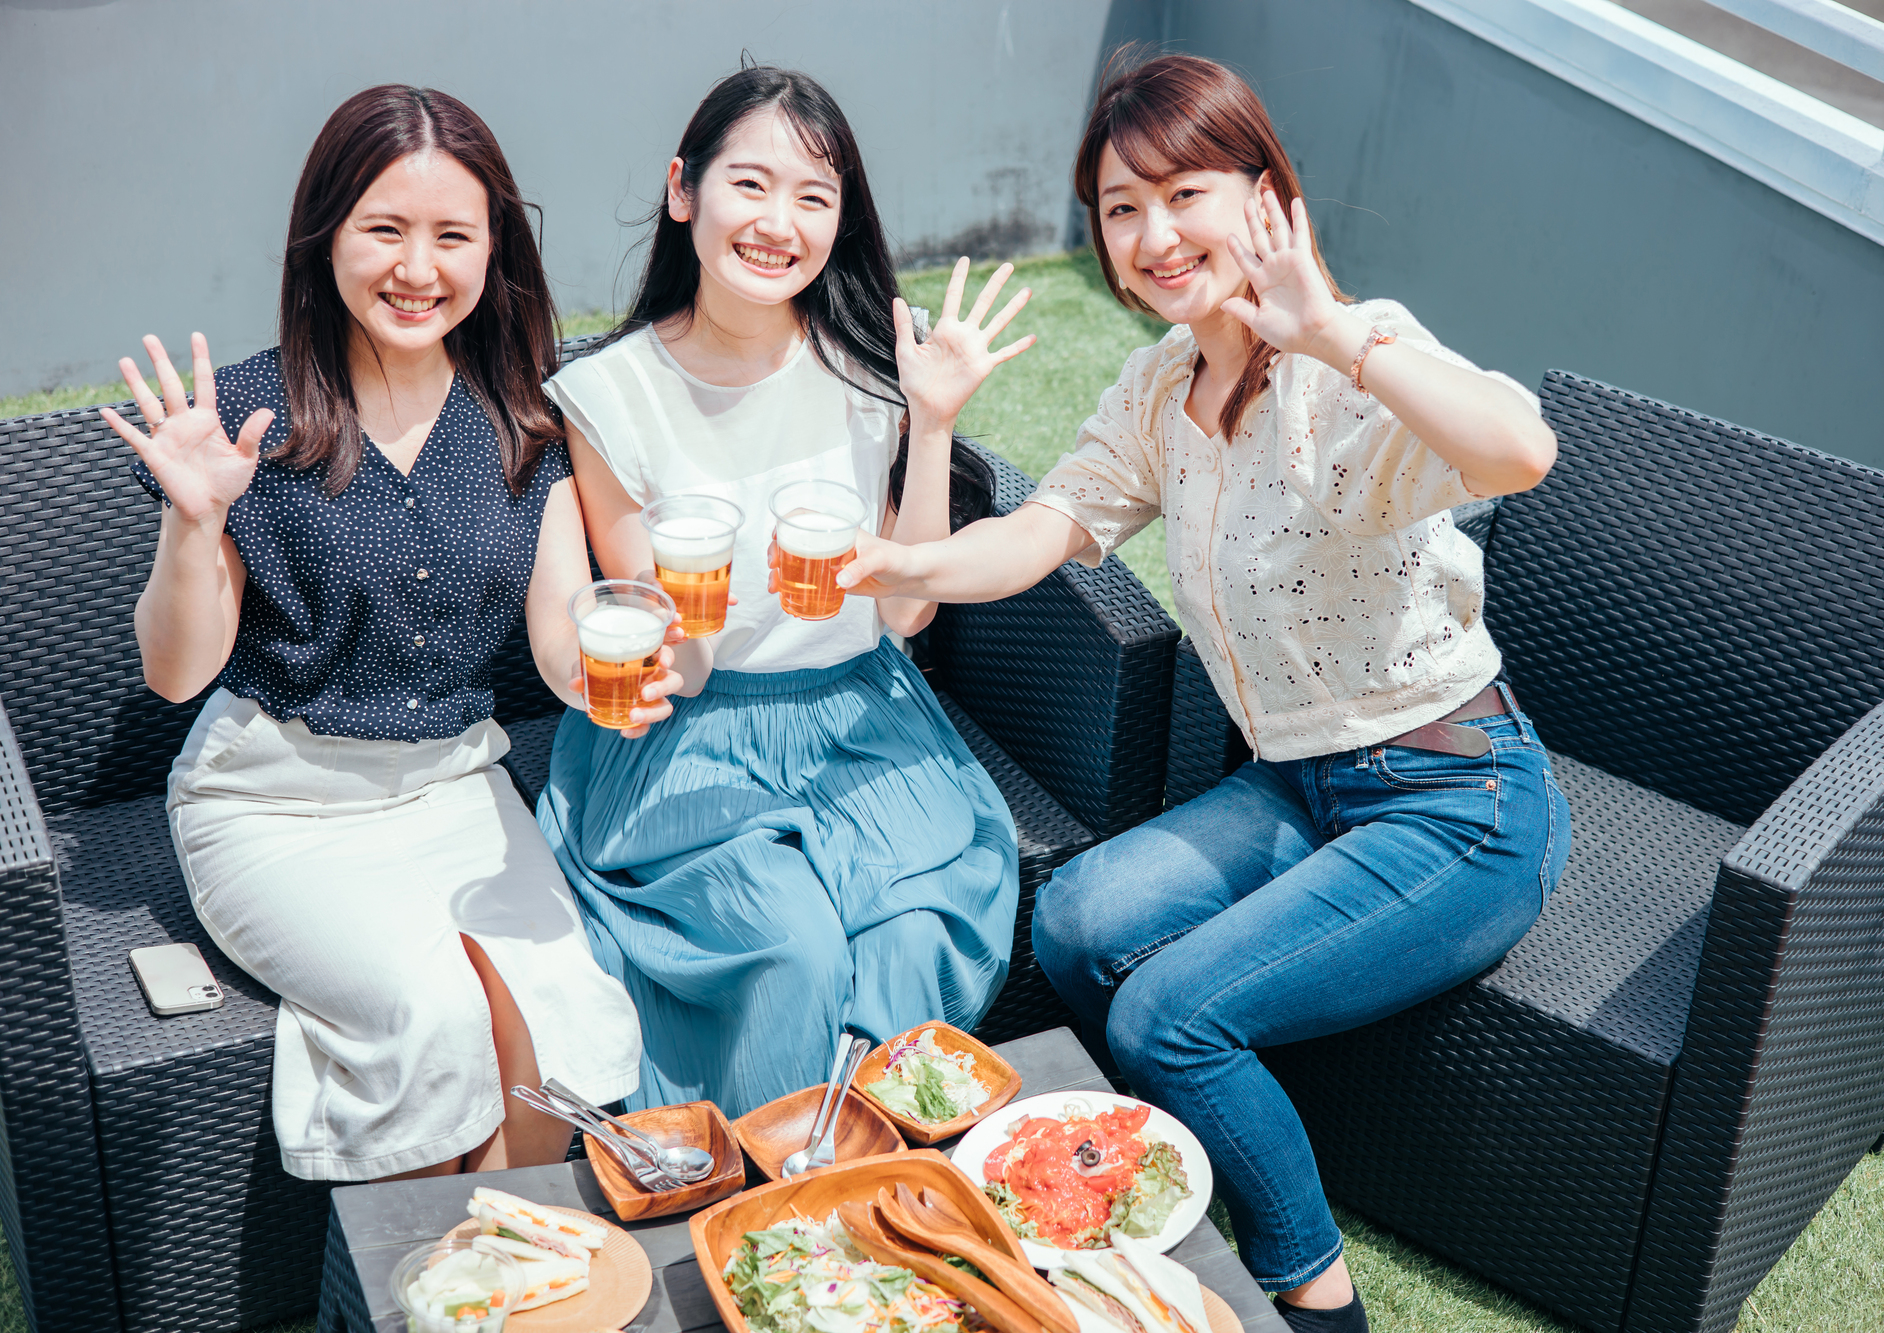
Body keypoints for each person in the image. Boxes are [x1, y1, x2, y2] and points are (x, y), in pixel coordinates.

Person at [835, 53, 1574, 1333]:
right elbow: (1053, 528)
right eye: (1121, 208)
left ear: (1263, 196)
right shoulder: (1160, 388)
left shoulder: (1354, 361)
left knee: (1173, 1016)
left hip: (1459, 798)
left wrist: (1333, 328)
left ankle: (1315, 1298)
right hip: (1298, 782)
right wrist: (915, 559)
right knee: (1073, 918)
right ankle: (1176, 1162)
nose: (1151, 235)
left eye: (1182, 193)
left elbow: (1519, 448)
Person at [103, 85, 642, 1183]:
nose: (417, 268)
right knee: (432, 1012)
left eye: (452, 235)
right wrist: (194, 517)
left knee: (553, 1024)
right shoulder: (247, 416)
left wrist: (601, 678)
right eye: (384, 230)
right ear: (324, 237)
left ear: (496, 249)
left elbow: (555, 637)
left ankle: (506, 1283)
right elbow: (176, 674)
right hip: (275, 802)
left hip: (452, 788)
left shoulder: (525, 420)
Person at [536, 66, 1029, 1117]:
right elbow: (671, 651)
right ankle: (761, 1186)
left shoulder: (866, 369)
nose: (777, 223)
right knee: (790, 945)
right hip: (688, 737)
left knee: (904, 935)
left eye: (813, 197)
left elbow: (903, 611)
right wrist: (687, 603)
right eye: (749, 185)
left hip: (861, 723)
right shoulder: (609, 394)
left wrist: (929, 420)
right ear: (683, 192)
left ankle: (861, 1190)